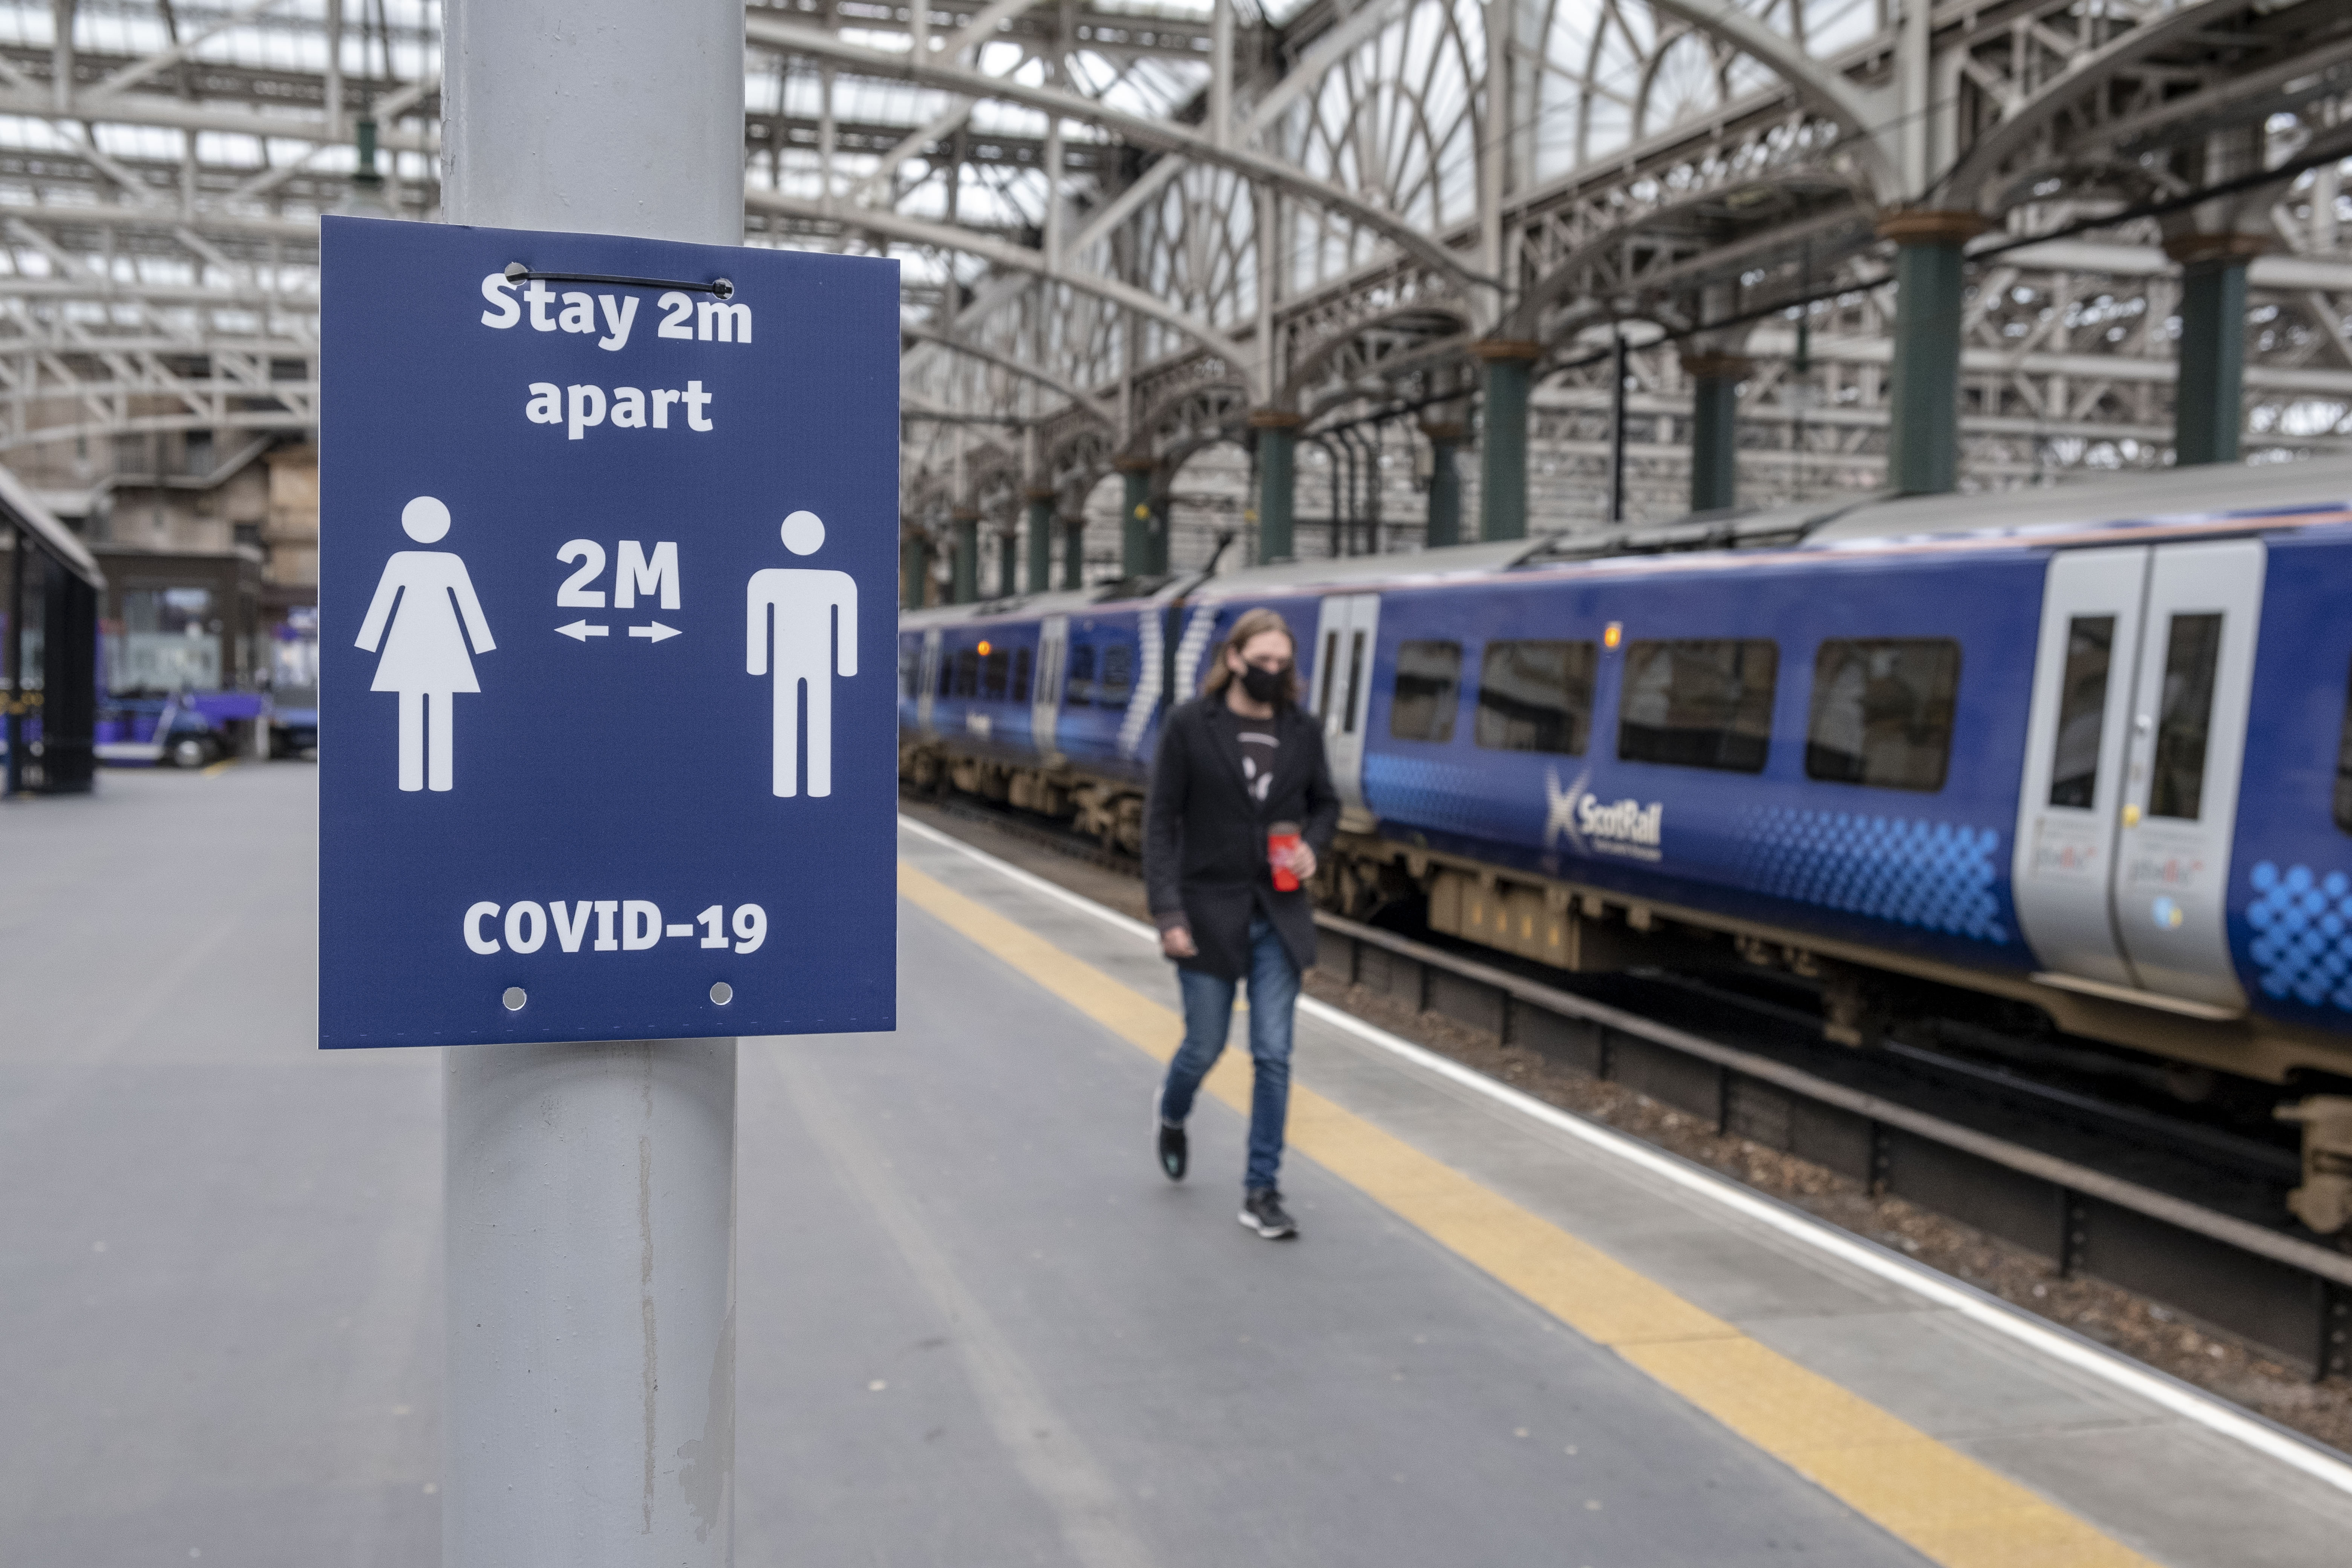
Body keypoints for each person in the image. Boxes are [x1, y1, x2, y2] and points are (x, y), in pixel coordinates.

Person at [1144, 606, 1339, 1239]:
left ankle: (1262, 1190)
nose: (1274, 674)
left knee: (1274, 1054)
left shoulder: (1302, 731)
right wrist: (1169, 911)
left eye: (1284, 665)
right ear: (1234, 659)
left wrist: (1313, 844)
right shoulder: (1188, 727)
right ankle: (1173, 1114)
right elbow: (1160, 825)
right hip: (1205, 914)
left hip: (1279, 916)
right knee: (1204, 1047)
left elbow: (1326, 804)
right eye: (1263, 663)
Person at [356, 495, 496, 793]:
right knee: (424, 711)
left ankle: (426, 780)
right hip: (435, 647)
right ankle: (427, 780)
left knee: (431, 711)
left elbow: (467, 604)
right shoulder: (420, 562)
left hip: (420, 647)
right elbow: (385, 602)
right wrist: (482, 644)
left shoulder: (431, 562)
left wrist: (369, 643)